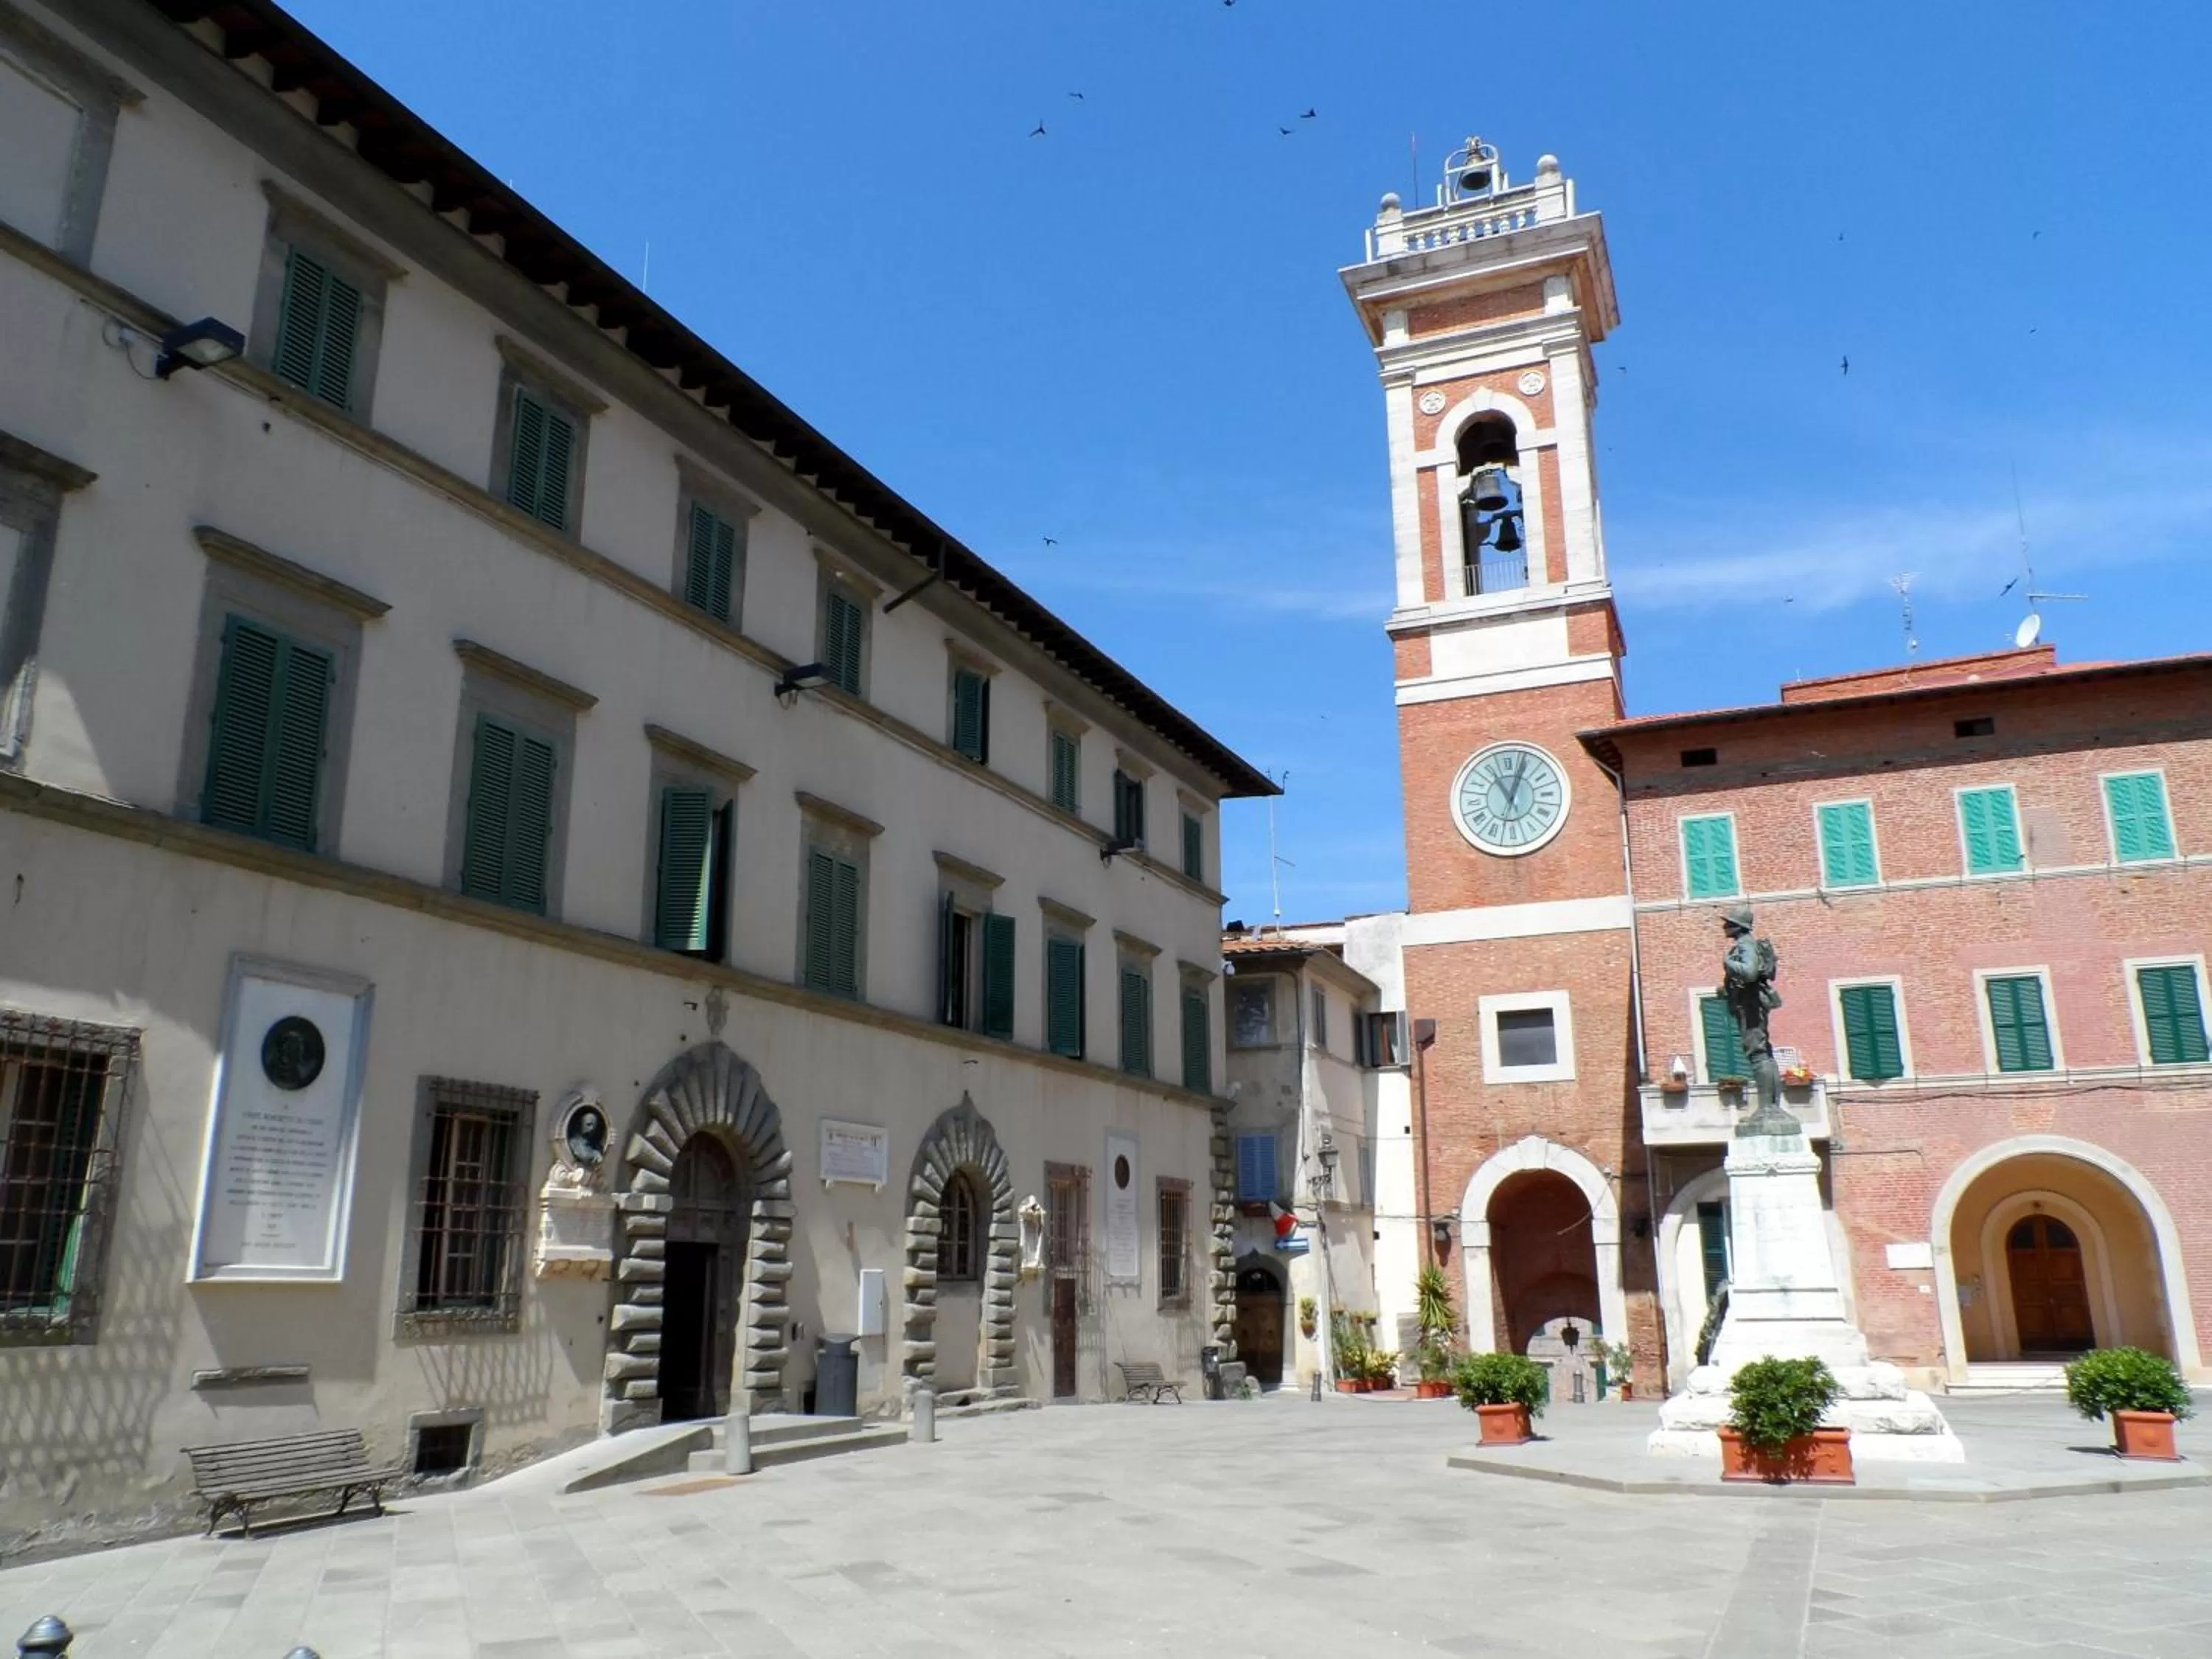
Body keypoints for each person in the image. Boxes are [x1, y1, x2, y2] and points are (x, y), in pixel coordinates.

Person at [1719, 902, 1793, 1135]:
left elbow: (1750, 972)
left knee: (1757, 1053)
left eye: (1729, 922)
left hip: (1750, 1005)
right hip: (1751, 1002)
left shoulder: (1744, 945)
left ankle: (1766, 1109)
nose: (1725, 926)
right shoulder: (1747, 944)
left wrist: (1728, 963)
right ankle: (1771, 1107)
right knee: (1764, 1053)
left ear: (1737, 926)